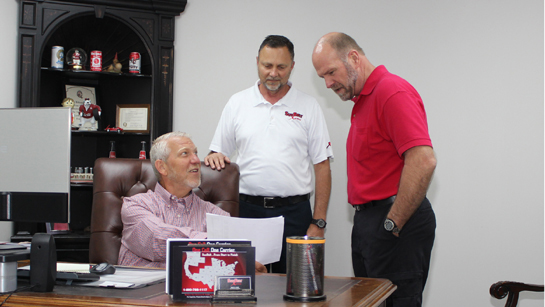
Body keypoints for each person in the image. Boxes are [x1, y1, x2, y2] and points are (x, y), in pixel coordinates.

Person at [312, 32, 437, 307]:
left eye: (331, 72)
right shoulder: (363, 100)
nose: (328, 83)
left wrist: (392, 223)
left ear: (354, 58)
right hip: (370, 224)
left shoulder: (391, 91)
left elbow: (423, 160)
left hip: (394, 225)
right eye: (322, 77)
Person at [205, 35, 333, 273]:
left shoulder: (309, 106)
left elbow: (322, 166)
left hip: (295, 215)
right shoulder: (237, 103)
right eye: (267, 65)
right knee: (246, 285)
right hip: (246, 212)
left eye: (281, 67)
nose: (273, 73)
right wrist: (214, 155)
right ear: (257, 63)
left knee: (297, 288)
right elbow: (217, 152)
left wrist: (319, 221)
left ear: (292, 67)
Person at [118, 131, 267, 273]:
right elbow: (156, 239)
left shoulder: (215, 215)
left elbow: (229, 260)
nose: (196, 160)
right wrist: (212, 243)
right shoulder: (135, 205)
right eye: (185, 153)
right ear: (162, 167)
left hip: (196, 296)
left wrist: (246, 265)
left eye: (195, 153)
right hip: (139, 296)